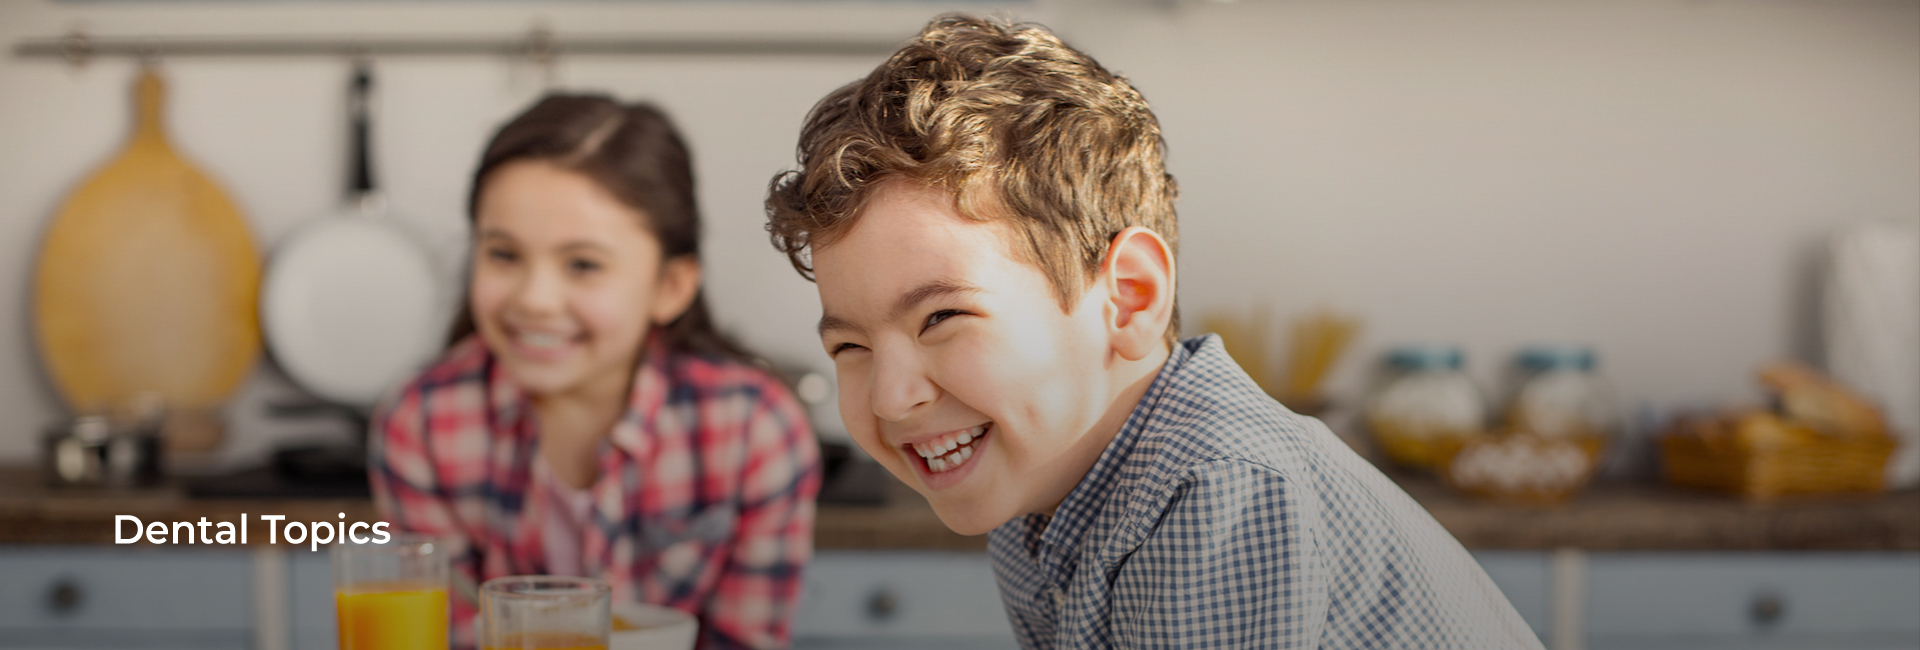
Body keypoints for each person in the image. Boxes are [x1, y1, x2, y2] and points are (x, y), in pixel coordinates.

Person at [765, 15, 1541, 649]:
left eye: (941, 318)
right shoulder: (1031, 483)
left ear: (1129, 300)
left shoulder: (1218, 487)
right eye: (851, 348)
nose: (894, 397)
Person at [373, 95, 820, 650]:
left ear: (670, 287)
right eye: (504, 254)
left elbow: (743, 640)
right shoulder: (420, 424)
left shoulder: (757, 431)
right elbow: (445, 635)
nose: (535, 300)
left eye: (582, 264)